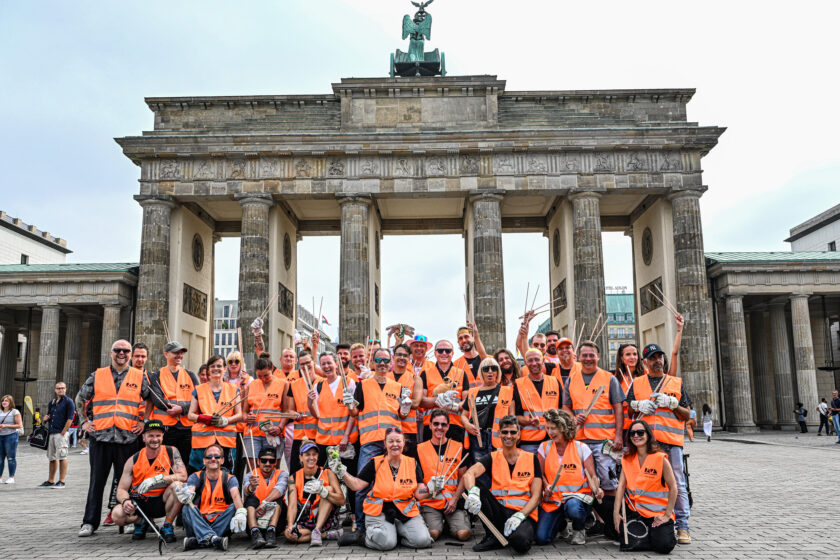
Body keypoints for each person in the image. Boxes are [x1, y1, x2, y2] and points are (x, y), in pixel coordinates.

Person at [78, 340, 152, 537]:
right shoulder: (98, 375)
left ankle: (130, 519)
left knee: (129, 483)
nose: (122, 353)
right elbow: (80, 398)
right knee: (97, 482)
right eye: (118, 350)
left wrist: (144, 421)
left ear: (130, 354)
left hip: (127, 438)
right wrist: (84, 422)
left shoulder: (139, 376)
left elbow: (150, 398)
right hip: (101, 437)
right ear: (111, 353)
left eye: (126, 351)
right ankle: (89, 522)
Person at [626, 343, 692, 544]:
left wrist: (673, 404)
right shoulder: (637, 384)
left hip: (670, 442)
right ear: (645, 362)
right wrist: (637, 405)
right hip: (645, 445)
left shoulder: (676, 382)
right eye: (653, 358)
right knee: (647, 483)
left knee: (678, 484)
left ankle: (683, 527)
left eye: (660, 357)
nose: (658, 361)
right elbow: (628, 410)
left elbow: (688, 414)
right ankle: (648, 519)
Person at [561, 340, 624, 539]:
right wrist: (572, 417)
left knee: (608, 483)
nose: (588, 358)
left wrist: (619, 435)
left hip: (604, 441)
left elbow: (618, 408)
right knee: (588, 483)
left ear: (598, 357)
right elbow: (565, 406)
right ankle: (599, 522)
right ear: (578, 357)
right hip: (580, 440)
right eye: (584, 355)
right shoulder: (572, 379)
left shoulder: (609, 379)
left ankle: (615, 523)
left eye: (591, 355)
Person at [335, 426, 433, 551]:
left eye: (398, 441)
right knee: (386, 544)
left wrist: (430, 488)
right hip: (379, 511)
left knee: (423, 540)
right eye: (391, 441)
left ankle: (395, 534)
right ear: (385, 444)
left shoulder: (412, 463)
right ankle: (361, 537)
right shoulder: (375, 463)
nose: (395, 445)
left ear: (404, 443)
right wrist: (341, 472)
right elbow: (356, 485)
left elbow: (420, 494)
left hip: (405, 512)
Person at [345, 347, 405, 541]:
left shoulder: (397, 387)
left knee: (393, 484)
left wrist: (406, 406)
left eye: (386, 360)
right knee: (363, 486)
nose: (382, 363)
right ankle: (361, 526)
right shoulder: (362, 386)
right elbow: (355, 413)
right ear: (372, 363)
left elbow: (402, 414)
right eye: (378, 360)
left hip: (392, 445)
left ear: (391, 363)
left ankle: (396, 523)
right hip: (370, 442)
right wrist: (350, 403)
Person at [462, 416, 541, 553]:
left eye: (512, 432)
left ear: (519, 434)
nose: (508, 436)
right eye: (504, 432)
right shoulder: (492, 457)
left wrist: (520, 516)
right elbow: (469, 474)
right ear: (499, 434)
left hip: (522, 514)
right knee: (478, 486)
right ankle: (492, 536)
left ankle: (506, 535)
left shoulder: (531, 458)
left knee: (520, 543)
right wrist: (473, 493)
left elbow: (536, 496)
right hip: (499, 511)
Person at [110, 419, 188, 542]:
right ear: (144, 438)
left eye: (158, 435)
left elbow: (183, 476)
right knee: (116, 515)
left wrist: (158, 479)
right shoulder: (133, 460)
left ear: (162, 437)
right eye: (150, 435)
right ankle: (140, 522)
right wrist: (125, 501)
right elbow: (121, 489)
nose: (155, 439)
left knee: (179, 486)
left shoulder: (171, 451)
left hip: (162, 501)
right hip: (141, 502)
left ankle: (167, 525)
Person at [536, 409, 603, 546]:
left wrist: (597, 488)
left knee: (573, 508)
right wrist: (546, 485)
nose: (550, 432)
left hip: (576, 499)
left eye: (554, 428)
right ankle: (561, 526)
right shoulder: (544, 448)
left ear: (564, 428)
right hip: (553, 500)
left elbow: (592, 476)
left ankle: (579, 528)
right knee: (541, 539)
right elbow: (540, 475)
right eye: (548, 428)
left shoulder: (581, 448)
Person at [308, 352, 359, 526]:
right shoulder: (318, 386)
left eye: (329, 363)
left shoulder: (349, 383)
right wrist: (309, 402)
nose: (327, 366)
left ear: (336, 364)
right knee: (327, 479)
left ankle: (354, 516)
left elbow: (354, 413)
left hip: (345, 442)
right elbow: (316, 414)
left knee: (350, 477)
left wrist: (345, 436)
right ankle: (330, 515)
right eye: (323, 364)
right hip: (324, 441)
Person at [613, 420, 677, 554]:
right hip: (636, 512)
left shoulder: (660, 458)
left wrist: (667, 515)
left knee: (664, 546)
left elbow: (673, 488)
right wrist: (616, 513)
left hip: (657, 514)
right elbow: (621, 486)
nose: (636, 436)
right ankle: (645, 536)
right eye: (632, 433)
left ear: (648, 435)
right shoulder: (627, 458)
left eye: (640, 432)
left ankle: (649, 536)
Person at [177, 444, 246, 551]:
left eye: (217, 457)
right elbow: (190, 489)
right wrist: (187, 494)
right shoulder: (196, 476)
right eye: (209, 457)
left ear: (222, 460)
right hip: (199, 520)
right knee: (187, 506)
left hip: (220, 521)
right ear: (204, 461)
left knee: (234, 507)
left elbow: (236, 496)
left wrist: (241, 512)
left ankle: (199, 540)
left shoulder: (230, 478)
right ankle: (213, 539)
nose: (213, 459)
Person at [417, 409, 470, 542]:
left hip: (452, 501)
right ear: (430, 426)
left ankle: (450, 524)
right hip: (430, 502)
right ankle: (439, 525)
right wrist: (429, 489)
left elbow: (463, 478)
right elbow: (417, 485)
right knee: (433, 534)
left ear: (448, 426)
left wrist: (455, 500)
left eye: (443, 424)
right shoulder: (419, 449)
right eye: (436, 424)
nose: (439, 427)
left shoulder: (458, 447)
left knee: (463, 534)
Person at [147, 341, 199, 475]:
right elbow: (157, 400)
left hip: (186, 429)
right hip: (167, 429)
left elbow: (200, 398)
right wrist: (172, 408)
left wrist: (181, 408)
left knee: (186, 464)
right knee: (165, 464)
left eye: (181, 353)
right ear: (166, 354)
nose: (179, 356)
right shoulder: (156, 375)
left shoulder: (190, 375)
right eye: (176, 352)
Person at [187, 354, 243, 472]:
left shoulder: (234, 389)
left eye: (219, 366)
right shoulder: (199, 389)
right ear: (208, 370)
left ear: (224, 368)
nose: (216, 368)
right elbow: (190, 415)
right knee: (200, 475)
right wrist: (204, 418)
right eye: (212, 366)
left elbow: (239, 414)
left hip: (225, 442)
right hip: (202, 441)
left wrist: (226, 420)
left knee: (225, 476)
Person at [285, 439, 344, 545]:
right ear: (300, 457)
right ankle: (325, 535)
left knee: (328, 489)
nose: (311, 458)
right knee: (288, 535)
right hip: (306, 521)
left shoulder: (328, 473)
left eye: (314, 454)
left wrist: (323, 492)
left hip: (326, 519)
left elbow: (341, 501)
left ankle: (317, 530)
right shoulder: (293, 478)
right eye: (307, 454)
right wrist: (290, 526)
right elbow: (292, 506)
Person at [461, 357, 514, 467]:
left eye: (493, 368)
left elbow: (512, 417)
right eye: (486, 369)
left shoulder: (507, 391)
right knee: (480, 472)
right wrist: (468, 425)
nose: (490, 371)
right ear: (481, 372)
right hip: (477, 438)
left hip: (500, 438)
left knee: (499, 469)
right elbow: (464, 415)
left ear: (498, 372)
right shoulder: (473, 392)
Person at [242, 357, 288, 471]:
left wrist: (280, 427)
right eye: (259, 376)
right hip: (252, 433)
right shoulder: (251, 385)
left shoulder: (283, 384)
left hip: (273, 433)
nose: (263, 379)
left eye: (266, 375)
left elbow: (286, 411)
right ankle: (253, 489)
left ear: (272, 369)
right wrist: (246, 417)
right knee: (253, 468)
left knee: (272, 467)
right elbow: (244, 412)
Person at [419, 340, 469, 442]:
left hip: (455, 426)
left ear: (452, 353)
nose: (444, 353)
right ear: (435, 353)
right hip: (432, 426)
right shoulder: (425, 373)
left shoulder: (462, 374)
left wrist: (454, 406)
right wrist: (438, 399)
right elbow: (421, 401)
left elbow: (467, 401)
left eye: (448, 351)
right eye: (440, 351)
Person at [514, 348, 562, 453]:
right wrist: (528, 421)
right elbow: (515, 416)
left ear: (543, 360)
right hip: (529, 441)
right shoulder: (518, 384)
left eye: (537, 359)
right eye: (530, 360)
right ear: (525, 363)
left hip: (553, 438)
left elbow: (563, 410)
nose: (534, 363)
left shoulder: (554, 382)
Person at [243, 446, 288, 549]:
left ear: (275, 462)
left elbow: (280, 489)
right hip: (255, 517)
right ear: (258, 461)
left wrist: (264, 503)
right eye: (264, 460)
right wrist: (251, 487)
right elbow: (245, 491)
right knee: (250, 499)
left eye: (271, 461)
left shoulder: (282, 474)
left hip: (276, 520)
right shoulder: (250, 475)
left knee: (278, 500)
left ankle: (271, 532)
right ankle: (255, 533)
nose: (267, 464)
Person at [285, 350, 321, 473]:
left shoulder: (322, 383)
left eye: (308, 363)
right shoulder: (294, 385)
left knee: (317, 473)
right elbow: (289, 409)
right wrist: (294, 414)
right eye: (302, 364)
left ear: (314, 362)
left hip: (318, 435)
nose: (305, 367)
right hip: (299, 436)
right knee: (296, 473)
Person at [39, 381, 75, 489]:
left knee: (62, 456)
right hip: (51, 432)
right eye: (58, 388)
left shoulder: (69, 402)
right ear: (55, 390)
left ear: (65, 389)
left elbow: (70, 418)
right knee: (52, 458)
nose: (60, 390)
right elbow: (51, 415)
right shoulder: (53, 402)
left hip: (61, 433)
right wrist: (46, 418)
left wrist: (64, 431)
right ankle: (50, 481)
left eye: (62, 388)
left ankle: (61, 481)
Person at [391, 343, 423, 456]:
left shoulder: (415, 379)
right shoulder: (386, 377)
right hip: (389, 429)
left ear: (409, 358)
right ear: (393, 357)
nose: (402, 358)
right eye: (399, 354)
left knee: (408, 466)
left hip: (408, 431)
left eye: (405, 355)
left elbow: (416, 403)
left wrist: (406, 400)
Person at [615, 343, 645, 432]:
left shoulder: (646, 374)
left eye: (635, 354)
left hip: (643, 425)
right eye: (628, 354)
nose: (632, 357)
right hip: (623, 426)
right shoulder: (615, 378)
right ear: (621, 357)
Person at [453, 322, 486, 387]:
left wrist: (476, 335)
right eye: (460, 338)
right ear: (458, 343)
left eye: (466, 337)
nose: (464, 340)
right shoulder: (456, 365)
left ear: (473, 339)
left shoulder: (489, 359)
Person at [0, 395, 22, 484]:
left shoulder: (14, 412)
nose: (4, 402)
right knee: (0, 458)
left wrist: (5, 425)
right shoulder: (0, 411)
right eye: (3, 401)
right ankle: (0, 477)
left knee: (11, 457)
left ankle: (11, 477)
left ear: (10, 402)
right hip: (0, 436)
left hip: (11, 436)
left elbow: (19, 425)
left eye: (6, 401)